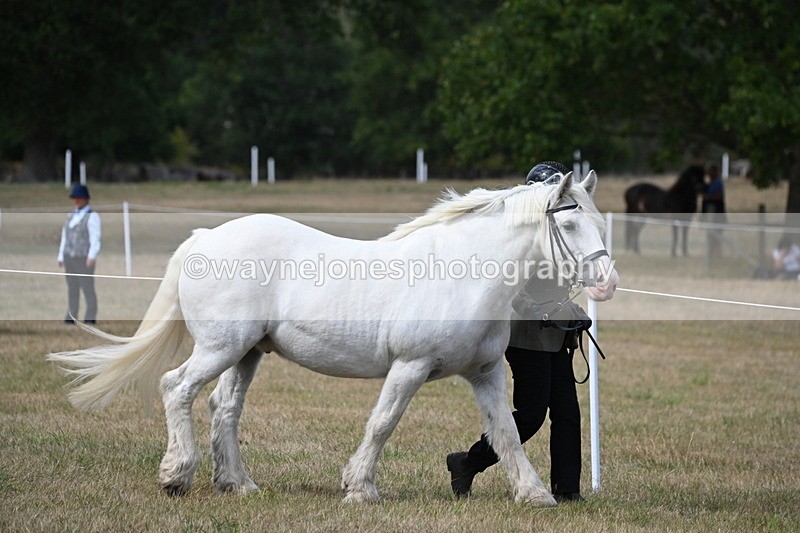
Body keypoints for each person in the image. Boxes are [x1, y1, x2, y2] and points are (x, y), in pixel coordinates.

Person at [446, 161, 587, 503]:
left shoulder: (558, 230)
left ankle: (567, 490)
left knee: (567, 414)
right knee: (531, 415)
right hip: (526, 337)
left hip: (556, 337)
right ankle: (467, 462)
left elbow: (563, 284)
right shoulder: (521, 235)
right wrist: (535, 310)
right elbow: (510, 284)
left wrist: (574, 312)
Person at [57, 184, 101, 323]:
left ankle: (90, 317)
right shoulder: (71, 215)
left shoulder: (92, 216)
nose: (76, 200)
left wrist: (92, 256)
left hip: (83, 258)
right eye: (74, 197)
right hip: (69, 256)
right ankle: (71, 315)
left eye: (79, 197)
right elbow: (65, 236)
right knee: (72, 288)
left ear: (85, 198)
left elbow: (95, 238)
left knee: (87, 288)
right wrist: (61, 255)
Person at [702, 165, 726, 259]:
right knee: (711, 236)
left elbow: (719, 196)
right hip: (710, 215)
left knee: (716, 236)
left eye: (710, 172)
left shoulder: (718, 183)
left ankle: (717, 255)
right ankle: (712, 255)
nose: (709, 174)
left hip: (717, 213)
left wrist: (708, 196)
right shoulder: (710, 183)